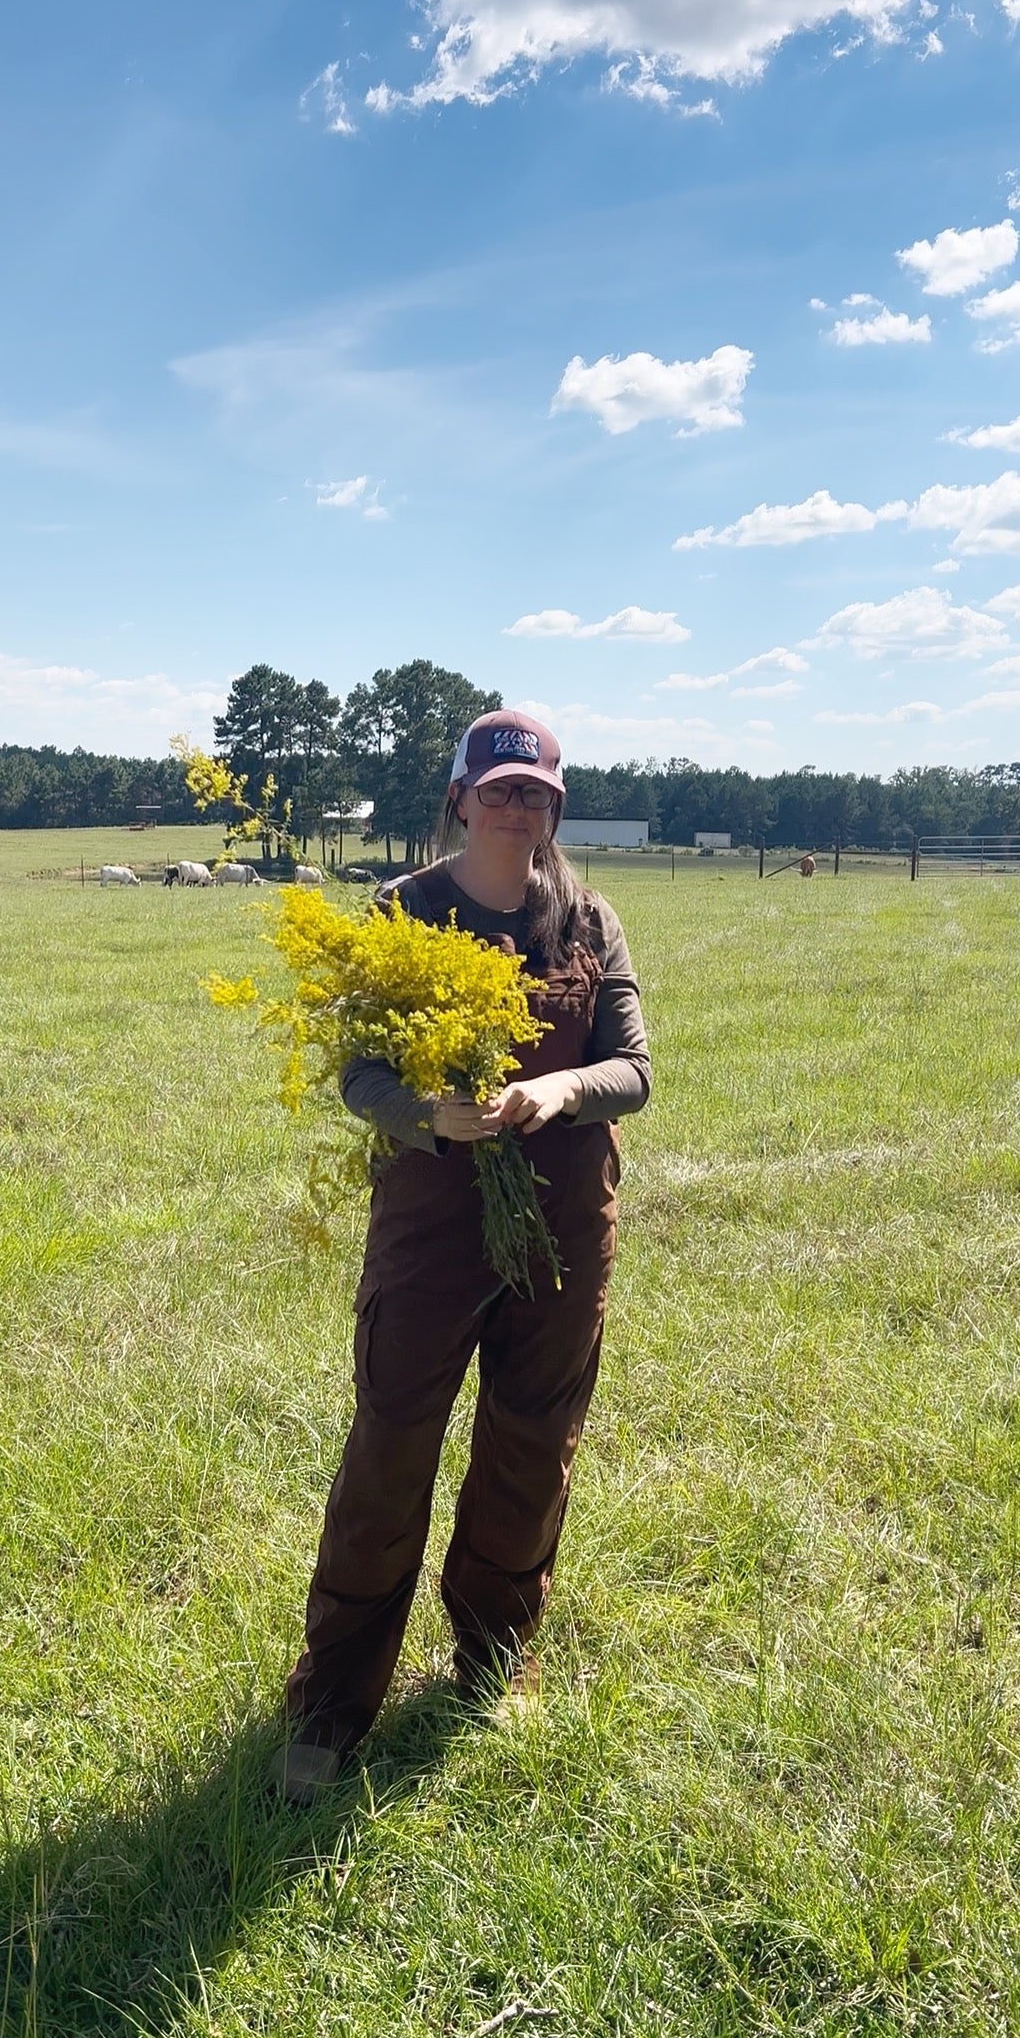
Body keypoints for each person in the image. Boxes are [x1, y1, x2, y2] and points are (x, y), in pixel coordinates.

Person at [271, 711, 651, 1802]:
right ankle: (334, 1700)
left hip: (561, 1224)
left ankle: (492, 1650)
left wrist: (559, 1089)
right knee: (390, 1445)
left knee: (531, 1444)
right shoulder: (402, 914)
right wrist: (432, 1111)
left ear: (554, 806)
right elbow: (358, 1075)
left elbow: (631, 1067)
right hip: (431, 1229)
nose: (515, 807)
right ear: (459, 797)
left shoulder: (585, 916)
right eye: (497, 790)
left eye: (534, 791)